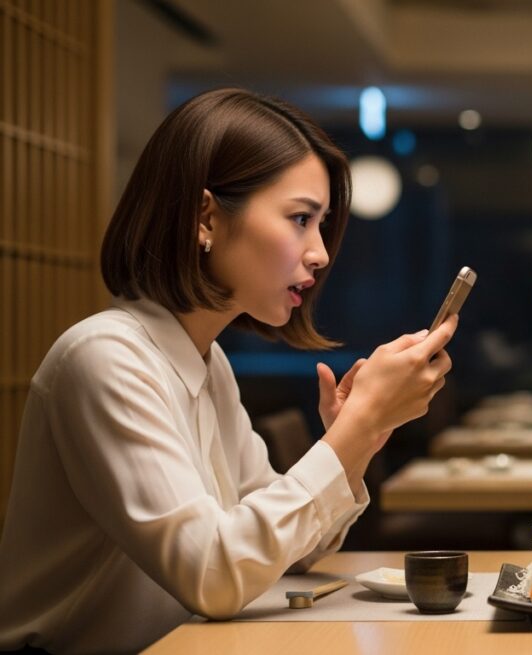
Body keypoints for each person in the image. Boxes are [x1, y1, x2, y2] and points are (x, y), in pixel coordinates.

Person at [0, 88, 457, 653]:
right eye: (300, 219)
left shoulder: (206, 360)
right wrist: (354, 431)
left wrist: (359, 437)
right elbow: (213, 576)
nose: (320, 253)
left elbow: (286, 551)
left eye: (320, 225)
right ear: (206, 217)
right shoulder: (104, 358)